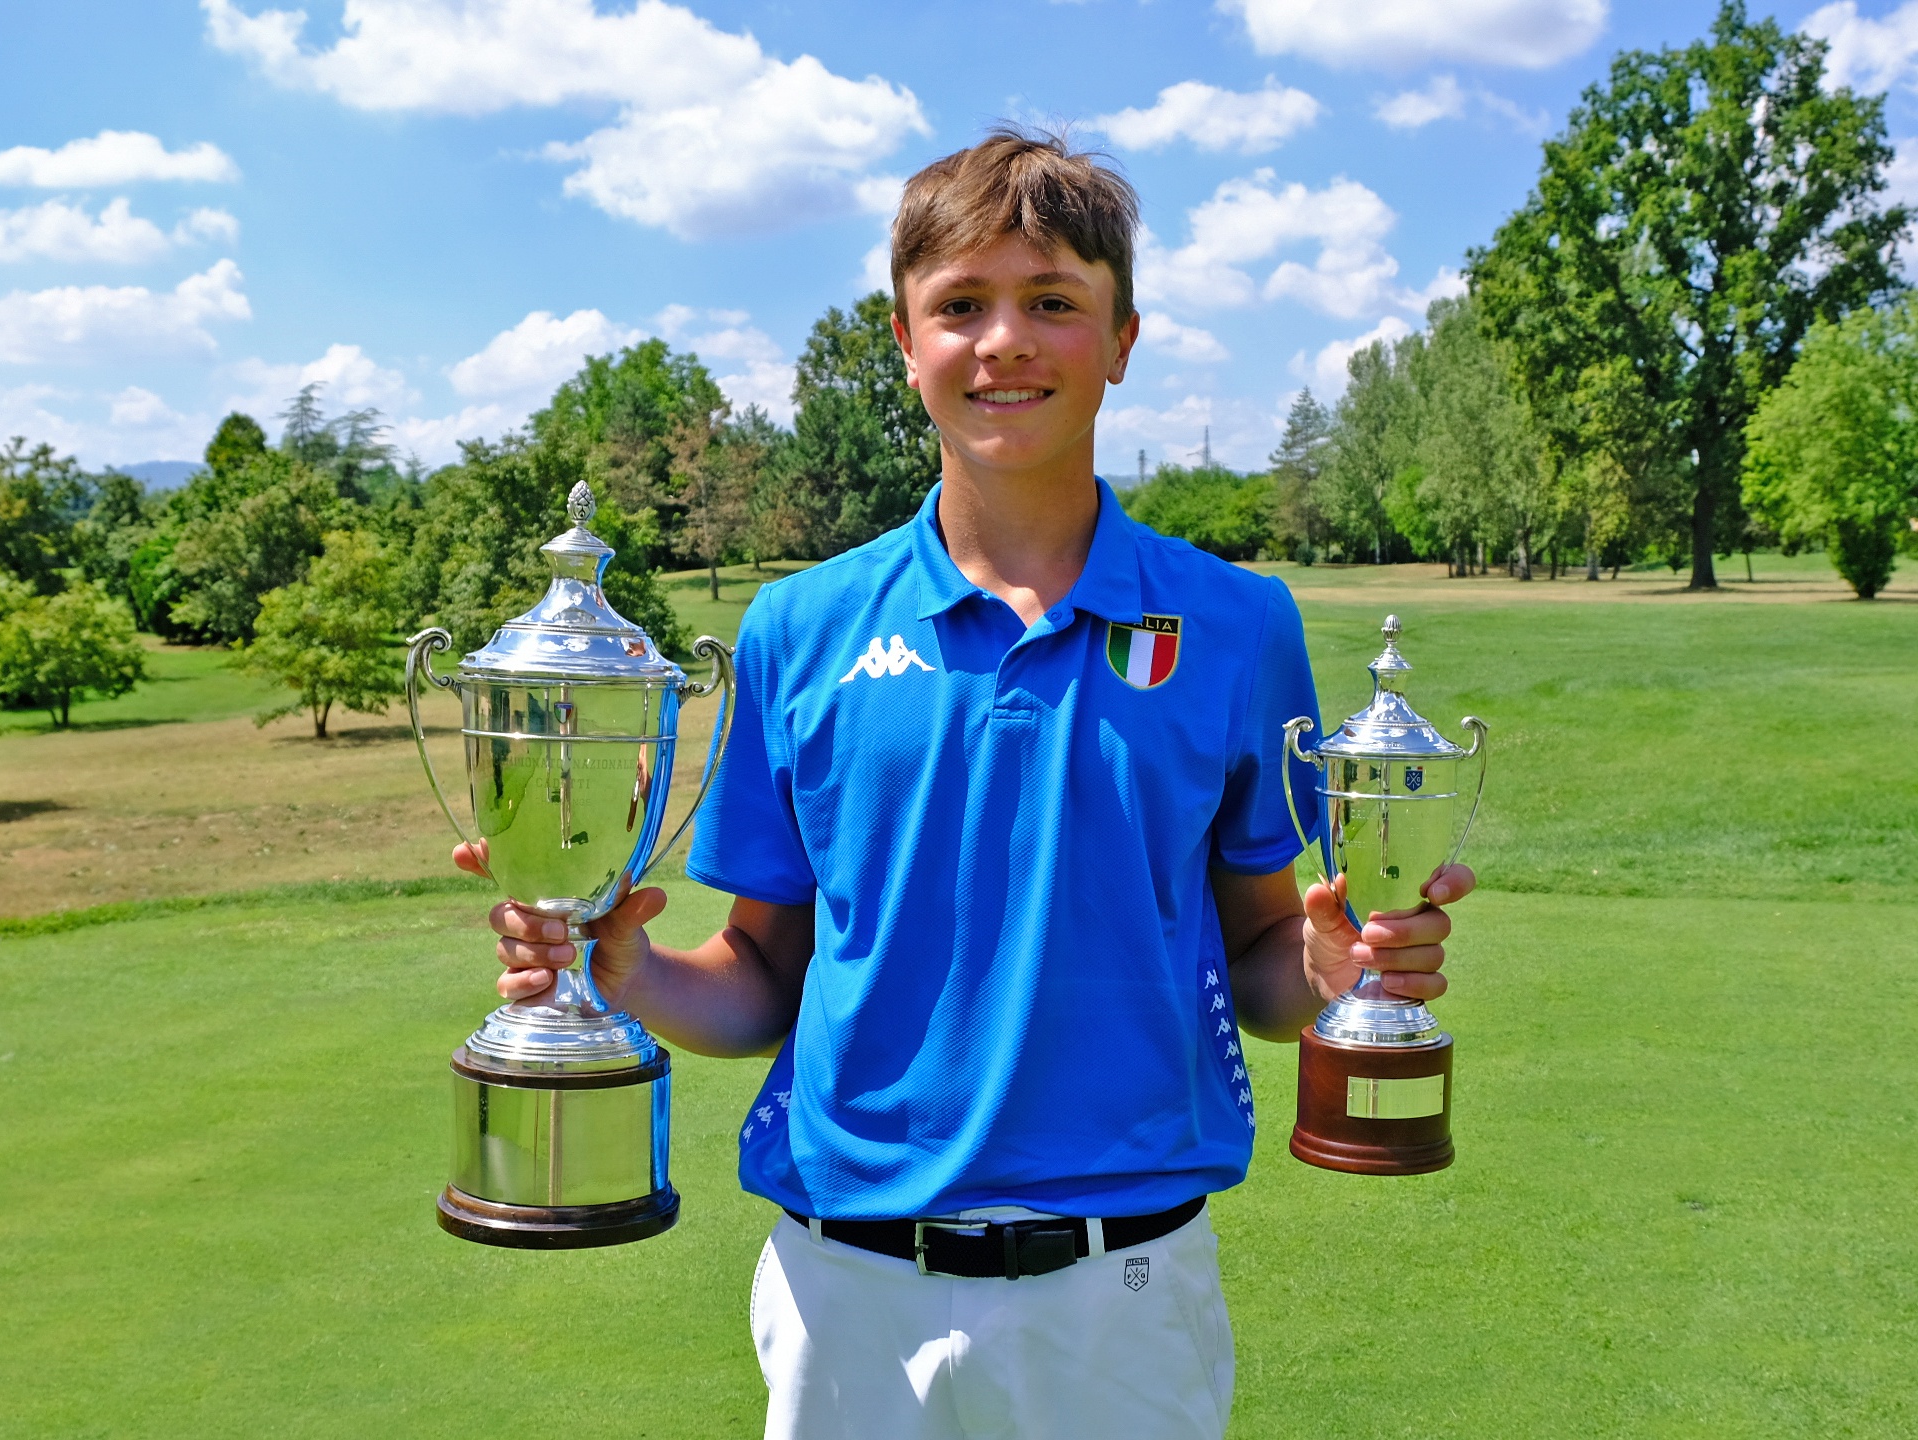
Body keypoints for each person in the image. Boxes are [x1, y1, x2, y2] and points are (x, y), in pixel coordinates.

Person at [456, 127, 1471, 1440]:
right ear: (904, 342)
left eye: (1054, 303)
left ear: (1122, 339)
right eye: (962, 306)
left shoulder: (1234, 623)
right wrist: (619, 969)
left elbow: (1266, 961)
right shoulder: (799, 629)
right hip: (846, 1286)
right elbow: (765, 978)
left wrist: (1341, 969)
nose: (1006, 341)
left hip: (1125, 1287)